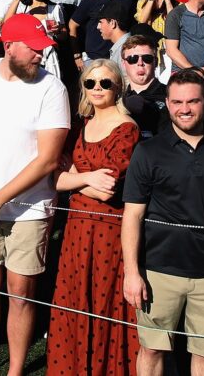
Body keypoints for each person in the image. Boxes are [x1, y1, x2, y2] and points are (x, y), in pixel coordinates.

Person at [0, 14, 69, 376]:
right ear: (9, 47)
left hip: (30, 209)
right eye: (35, 49)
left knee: (21, 294)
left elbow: (48, 159)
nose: (41, 56)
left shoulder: (52, 88)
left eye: (43, 49)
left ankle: (16, 371)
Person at [123, 68, 204, 376]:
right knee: (152, 350)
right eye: (177, 102)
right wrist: (131, 271)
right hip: (158, 270)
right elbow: (133, 215)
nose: (184, 109)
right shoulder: (148, 151)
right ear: (167, 103)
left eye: (192, 101)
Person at [46, 60, 141, 376]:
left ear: (118, 87)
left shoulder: (128, 128)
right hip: (76, 229)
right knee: (75, 299)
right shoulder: (79, 126)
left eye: (105, 83)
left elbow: (107, 189)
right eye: (91, 83)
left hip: (108, 230)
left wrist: (75, 175)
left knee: (103, 302)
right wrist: (87, 177)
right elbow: (55, 180)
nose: (97, 89)